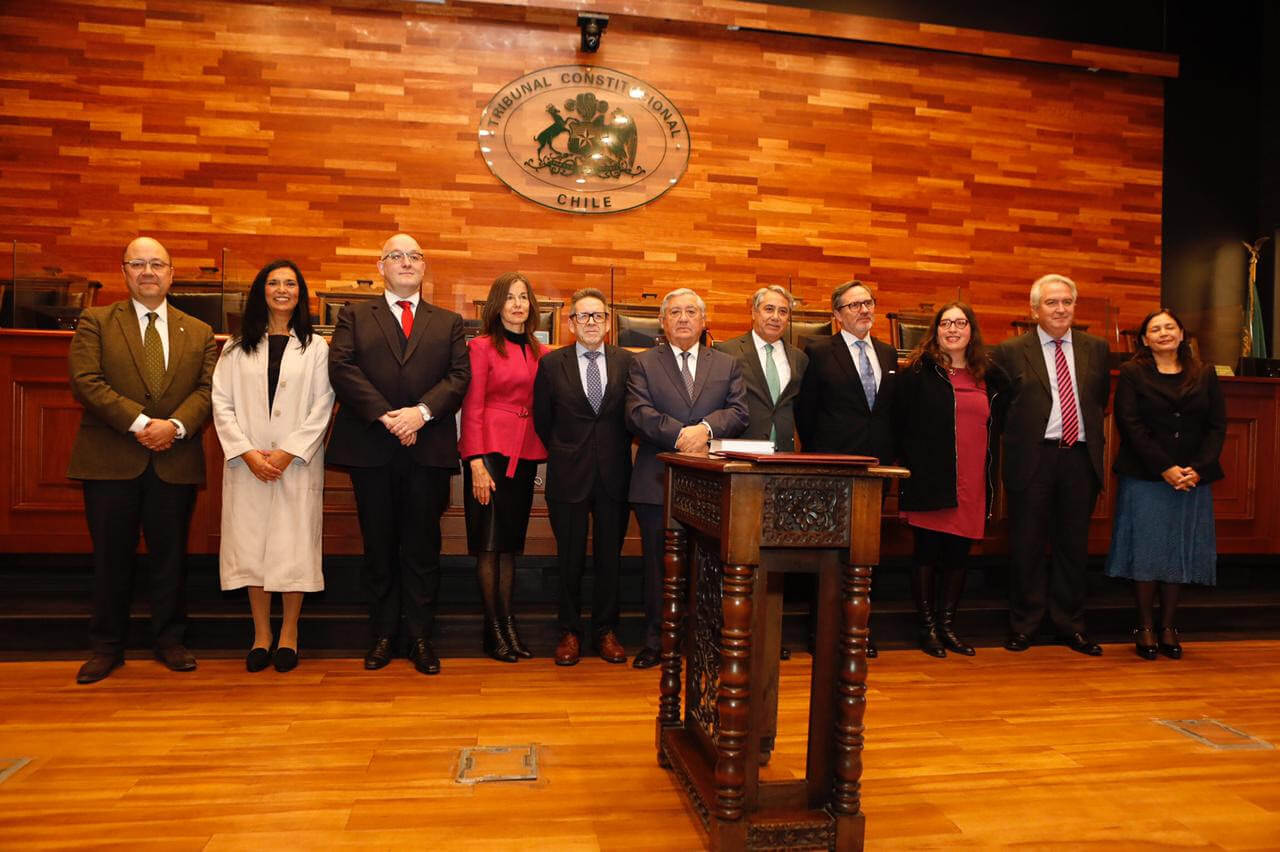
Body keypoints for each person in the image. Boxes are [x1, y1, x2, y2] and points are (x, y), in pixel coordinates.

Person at [67, 236, 216, 684]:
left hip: (175, 458)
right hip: (110, 459)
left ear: (171, 274)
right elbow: (86, 381)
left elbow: (208, 389)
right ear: (124, 272)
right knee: (111, 557)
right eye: (138, 264)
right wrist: (141, 423)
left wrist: (174, 426)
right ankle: (107, 647)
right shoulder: (96, 321)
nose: (148, 271)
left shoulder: (200, 331)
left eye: (157, 264)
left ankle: (170, 641)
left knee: (170, 558)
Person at [327, 233, 470, 676]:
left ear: (424, 266)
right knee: (380, 545)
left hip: (427, 449)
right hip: (372, 446)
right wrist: (388, 416)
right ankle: (384, 635)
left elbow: (458, 376)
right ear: (381, 266)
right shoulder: (354, 315)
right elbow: (341, 368)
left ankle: (421, 637)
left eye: (414, 256)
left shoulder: (449, 322)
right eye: (396, 256)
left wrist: (419, 414)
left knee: (423, 547)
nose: (406, 262)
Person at [211, 259, 334, 673]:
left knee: (292, 548)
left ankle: (290, 633)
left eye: (290, 284)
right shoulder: (236, 345)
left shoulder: (316, 347)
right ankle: (261, 634)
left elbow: (323, 405)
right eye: (274, 283)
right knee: (251, 548)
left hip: (294, 464)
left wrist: (288, 452)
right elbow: (221, 403)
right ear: (261, 291)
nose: (282, 290)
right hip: (248, 464)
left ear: (301, 293)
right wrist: (246, 452)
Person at [626, 288, 748, 669]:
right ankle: (656, 641)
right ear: (662, 322)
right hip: (656, 480)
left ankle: (703, 640)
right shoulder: (643, 363)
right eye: (675, 312)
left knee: (706, 566)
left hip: (711, 483)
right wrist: (681, 435)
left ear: (703, 320)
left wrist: (706, 429)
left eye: (691, 312)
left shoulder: (727, 364)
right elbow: (637, 412)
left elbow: (739, 411)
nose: (683, 318)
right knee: (658, 567)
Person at [992, 274, 1110, 656]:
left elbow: (1100, 400)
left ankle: (1070, 625)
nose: (1060, 309)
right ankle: (1024, 625)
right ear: (1034, 310)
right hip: (1033, 458)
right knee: (1026, 545)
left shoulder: (1097, 348)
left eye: (1067, 302)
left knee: (1073, 546)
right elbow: (1001, 408)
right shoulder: (1010, 351)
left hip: (1079, 457)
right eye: (1051, 303)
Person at [1106, 309, 1225, 660]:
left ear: (1181, 333)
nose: (1163, 333)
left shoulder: (1204, 373)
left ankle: (1169, 626)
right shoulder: (1132, 373)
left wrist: (1198, 468)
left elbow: (1217, 426)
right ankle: (1144, 626)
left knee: (1177, 549)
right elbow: (1130, 424)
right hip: (1146, 476)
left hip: (1191, 478)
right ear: (1144, 339)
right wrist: (1165, 468)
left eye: (1169, 327)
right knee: (1147, 550)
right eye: (1154, 329)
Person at [894, 302, 1008, 657]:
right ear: (936, 330)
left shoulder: (989, 375)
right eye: (946, 323)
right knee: (927, 553)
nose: (953, 329)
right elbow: (900, 424)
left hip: (972, 479)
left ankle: (947, 626)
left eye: (960, 323)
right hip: (931, 476)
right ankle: (927, 627)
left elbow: (1001, 421)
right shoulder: (918, 372)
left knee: (959, 556)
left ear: (972, 330)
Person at [533, 288, 635, 667]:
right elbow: (543, 420)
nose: (591, 322)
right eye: (583, 316)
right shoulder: (551, 364)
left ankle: (606, 630)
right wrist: (567, 450)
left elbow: (632, 415)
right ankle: (569, 631)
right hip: (568, 474)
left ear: (608, 323)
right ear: (571, 323)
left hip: (614, 475)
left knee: (610, 558)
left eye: (598, 316)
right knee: (569, 558)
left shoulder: (628, 362)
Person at [795, 279, 897, 657]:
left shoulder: (887, 353)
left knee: (866, 553)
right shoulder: (819, 351)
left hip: (875, 468)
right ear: (837, 314)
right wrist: (820, 455)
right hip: (832, 465)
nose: (864, 310)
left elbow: (890, 412)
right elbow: (806, 412)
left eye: (868, 303)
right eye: (854, 305)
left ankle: (859, 630)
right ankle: (821, 631)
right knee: (827, 553)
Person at [459, 272, 548, 662]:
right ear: (497, 304)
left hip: (524, 454)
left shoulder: (541, 351)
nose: (518, 304)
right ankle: (493, 629)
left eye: (524, 297)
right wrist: (475, 462)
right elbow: (472, 406)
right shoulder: (480, 347)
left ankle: (507, 626)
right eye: (510, 297)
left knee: (509, 546)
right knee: (489, 545)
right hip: (490, 454)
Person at [714, 285, 809, 451]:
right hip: (741, 450)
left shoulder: (799, 358)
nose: (776, 317)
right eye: (769, 309)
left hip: (784, 452)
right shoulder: (726, 352)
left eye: (783, 312)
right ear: (754, 312)